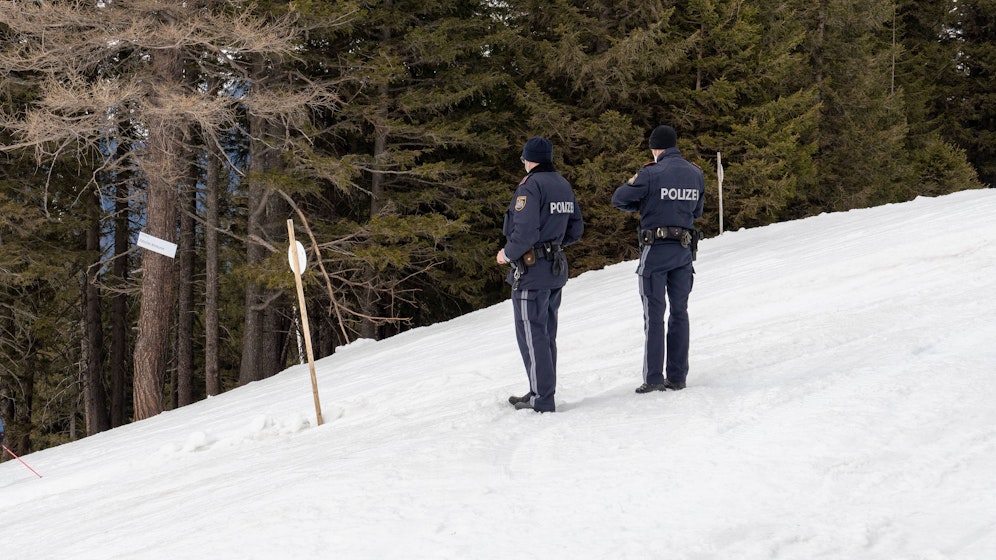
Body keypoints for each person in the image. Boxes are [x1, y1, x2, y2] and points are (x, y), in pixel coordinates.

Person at [611, 125, 704, 393]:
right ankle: (677, 377)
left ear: (655, 149)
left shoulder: (650, 173)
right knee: (679, 313)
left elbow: (619, 198)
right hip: (684, 252)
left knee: (654, 315)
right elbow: (696, 211)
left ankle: (653, 378)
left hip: (656, 251)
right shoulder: (695, 173)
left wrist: (643, 204)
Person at [497, 136, 584, 412]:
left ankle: (542, 398)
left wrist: (507, 254)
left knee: (532, 334)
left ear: (529, 159)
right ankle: (540, 390)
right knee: (545, 334)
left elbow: (524, 231)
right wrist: (553, 245)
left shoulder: (531, 186)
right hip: (555, 267)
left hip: (532, 270)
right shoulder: (562, 184)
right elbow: (576, 229)